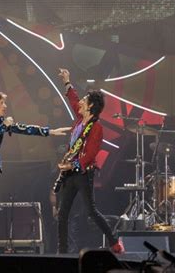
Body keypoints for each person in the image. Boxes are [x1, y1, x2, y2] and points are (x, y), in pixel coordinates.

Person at [0, 89, 69, 253]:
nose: (5, 106)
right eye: (1, 103)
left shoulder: (0, 122)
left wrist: (49, 132)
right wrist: (3, 127)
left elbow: (22, 128)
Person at [56, 68, 124, 254]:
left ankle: (114, 243)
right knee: (63, 213)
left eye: (84, 100)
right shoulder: (79, 120)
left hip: (84, 173)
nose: (81, 102)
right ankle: (61, 252)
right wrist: (67, 82)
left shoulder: (96, 128)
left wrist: (74, 164)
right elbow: (72, 100)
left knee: (91, 211)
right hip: (70, 172)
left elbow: (91, 153)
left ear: (91, 106)